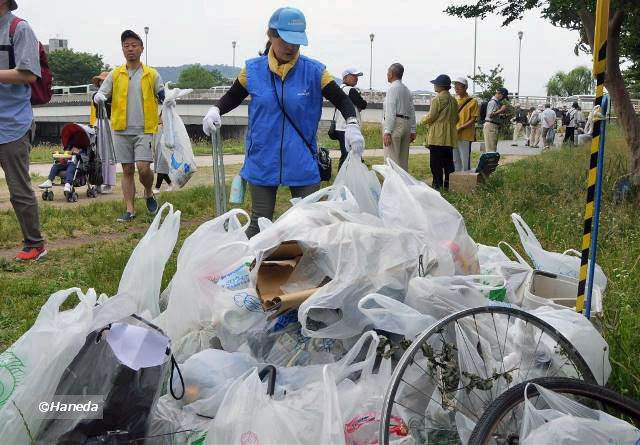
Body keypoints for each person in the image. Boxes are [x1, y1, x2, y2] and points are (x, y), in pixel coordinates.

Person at [202, 7, 363, 238]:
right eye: (286, 40)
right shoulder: (253, 70)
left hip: (302, 157)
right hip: (262, 157)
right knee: (259, 222)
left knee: (307, 226)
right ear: (271, 35)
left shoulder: (315, 71)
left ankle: (302, 271)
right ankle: (255, 271)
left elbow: (342, 100)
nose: (291, 47)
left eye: (296, 42)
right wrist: (215, 109)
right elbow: (232, 96)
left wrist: (352, 124)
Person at [94, 29, 164, 222]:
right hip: (121, 129)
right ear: (122, 50)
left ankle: (148, 191)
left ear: (141, 48)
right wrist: (98, 96)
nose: (130, 49)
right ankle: (130, 209)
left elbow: (161, 92)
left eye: (134, 45)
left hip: (145, 128)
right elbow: (103, 92)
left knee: (143, 168)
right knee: (126, 170)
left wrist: (166, 98)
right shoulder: (116, 74)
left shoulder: (151, 74)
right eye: (126, 46)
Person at [0, 0, 47, 260]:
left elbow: (29, 74)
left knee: (18, 189)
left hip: (13, 123)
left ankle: (35, 244)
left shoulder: (20, 29)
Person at [422, 74, 458, 190]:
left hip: (437, 135)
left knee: (435, 164)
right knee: (448, 163)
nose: (434, 86)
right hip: (449, 136)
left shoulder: (437, 99)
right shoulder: (454, 100)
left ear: (441, 86)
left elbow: (432, 116)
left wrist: (423, 120)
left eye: (436, 84)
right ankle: (449, 185)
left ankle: (437, 186)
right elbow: (456, 118)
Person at [382, 63, 416, 171]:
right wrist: (413, 129)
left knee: (391, 160)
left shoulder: (392, 89)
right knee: (402, 160)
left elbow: (390, 111)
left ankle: (393, 186)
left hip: (395, 124)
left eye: (388, 72)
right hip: (406, 124)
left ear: (391, 74)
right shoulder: (407, 90)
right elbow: (412, 111)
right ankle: (403, 185)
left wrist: (387, 131)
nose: (387, 74)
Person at [334, 67, 367, 169]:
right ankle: (344, 176)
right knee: (350, 154)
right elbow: (363, 104)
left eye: (357, 77)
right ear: (346, 77)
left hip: (340, 126)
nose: (356, 78)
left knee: (345, 153)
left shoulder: (339, 89)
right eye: (354, 76)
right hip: (349, 127)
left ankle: (346, 174)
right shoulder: (350, 90)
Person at [89, 71, 116, 194]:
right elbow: (96, 100)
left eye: (105, 81)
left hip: (110, 124)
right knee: (97, 154)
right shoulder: (96, 95)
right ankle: (98, 182)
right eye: (101, 81)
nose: (102, 83)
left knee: (109, 154)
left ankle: (109, 183)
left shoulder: (115, 95)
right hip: (99, 124)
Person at [452, 76, 478, 171]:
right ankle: (457, 180)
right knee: (455, 160)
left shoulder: (473, 101)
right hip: (454, 134)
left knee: (465, 160)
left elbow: (473, 119)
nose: (456, 89)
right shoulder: (454, 100)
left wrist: (461, 128)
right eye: (455, 87)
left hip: (466, 135)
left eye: (459, 87)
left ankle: (466, 181)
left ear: (465, 87)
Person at [483, 87, 508, 152]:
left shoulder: (496, 102)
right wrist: (501, 110)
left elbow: (493, 114)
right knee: (491, 149)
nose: (503, 99)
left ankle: (491, 162)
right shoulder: (493, 102)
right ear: (500, 94)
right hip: (491, 125)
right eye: (503, 97)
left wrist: (501, 115)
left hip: (492, 125)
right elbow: (490, 115)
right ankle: (490, 162)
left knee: (492, 147)